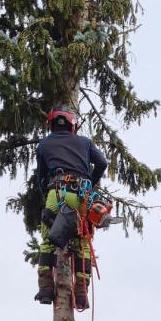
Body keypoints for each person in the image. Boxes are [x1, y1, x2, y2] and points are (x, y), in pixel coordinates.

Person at [33, 106, 108, 308]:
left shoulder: (44, 145)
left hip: (54, 193)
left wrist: (46, 194)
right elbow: (102, 163)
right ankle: (81, 292)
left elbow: (40, 178)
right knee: (83, 240)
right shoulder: (84, 142)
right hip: (82, 195)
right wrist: (90, 182)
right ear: (72, 124)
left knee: (49, 240)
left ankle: (47, 288)